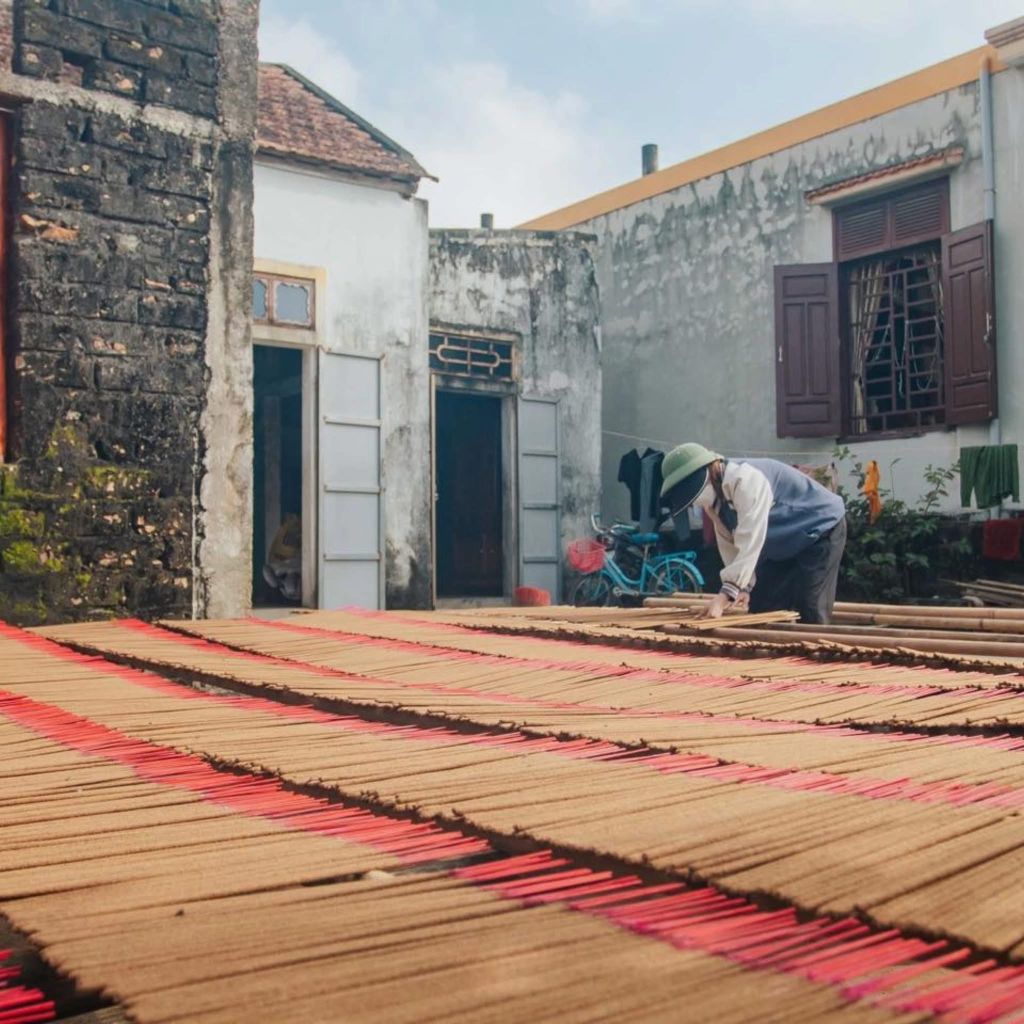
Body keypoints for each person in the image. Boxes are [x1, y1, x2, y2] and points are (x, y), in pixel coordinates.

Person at [659, 443, 846, 624]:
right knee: (763, 607)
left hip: (819, 528)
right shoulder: (715, 503)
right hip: (779, 542)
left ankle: (814, 653)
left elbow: (751, 537)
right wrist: (742, 588)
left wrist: (724, 597)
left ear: (706, 472)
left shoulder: (747, 480)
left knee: (810, 609)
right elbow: (730, 545)